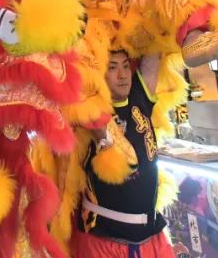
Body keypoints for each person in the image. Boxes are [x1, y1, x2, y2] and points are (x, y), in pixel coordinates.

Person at [73, 50, 172, 257]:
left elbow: (155, 47)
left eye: (126, 66)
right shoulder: (89, 109)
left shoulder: (140, 96)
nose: (122, 75)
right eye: (112, 67)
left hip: (151, 235)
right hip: (104, 239)